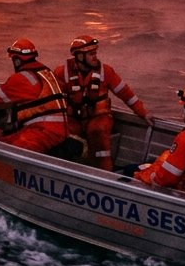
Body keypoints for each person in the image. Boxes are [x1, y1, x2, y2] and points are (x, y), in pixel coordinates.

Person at [53, 35, 150, 170]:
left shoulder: (106, 72)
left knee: (98, 131)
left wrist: (143, 112)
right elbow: (52, 99)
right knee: (60, 134)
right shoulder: (62, 73)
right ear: (79, 56)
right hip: (73, 119)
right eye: (91, 54)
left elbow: (125, 93)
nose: (95, 57)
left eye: (95, 53)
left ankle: (105, 173)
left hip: (98, 117)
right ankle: (65, 170)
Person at [0, 38, 70, 153]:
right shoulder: (46, 73)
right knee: (4, 136)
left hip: (42, 132)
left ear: (17, 60)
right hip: (60, 130)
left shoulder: (22, 78)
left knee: (5, 148)